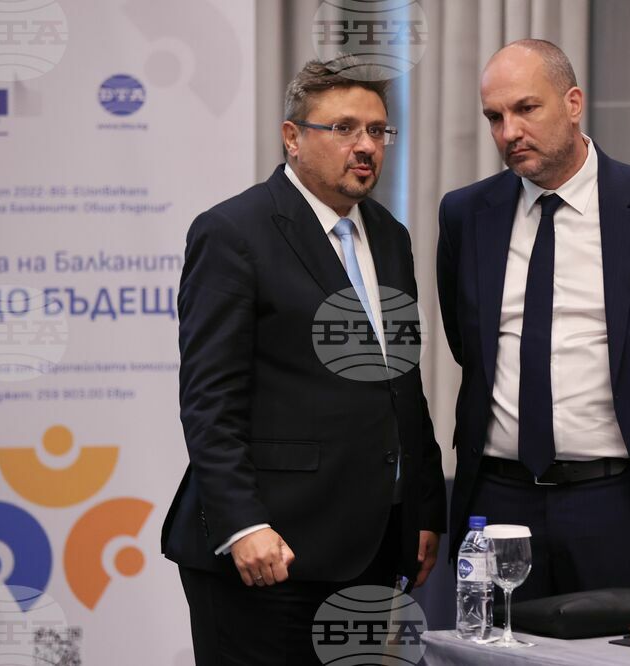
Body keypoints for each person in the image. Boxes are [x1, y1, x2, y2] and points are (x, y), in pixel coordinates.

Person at [161, 57, 446, 665]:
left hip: (371, 550)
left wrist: (422, 509)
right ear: (292, 137)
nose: (365, 145)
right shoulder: (233, 232)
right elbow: (209, 400)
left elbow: (401, 382)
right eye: (344, 128)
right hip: (269, 553)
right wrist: (242, 525)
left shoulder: (389, 237)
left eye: (377, 130)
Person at [437, 39, 630, 601]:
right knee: (495, 645)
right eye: (495, 117)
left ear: (573, 103)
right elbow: (466, 341)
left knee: (629, 644)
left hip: (626, 499)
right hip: (499, 499)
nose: (510, 132)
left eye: (526, 108)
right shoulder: (466, 214)